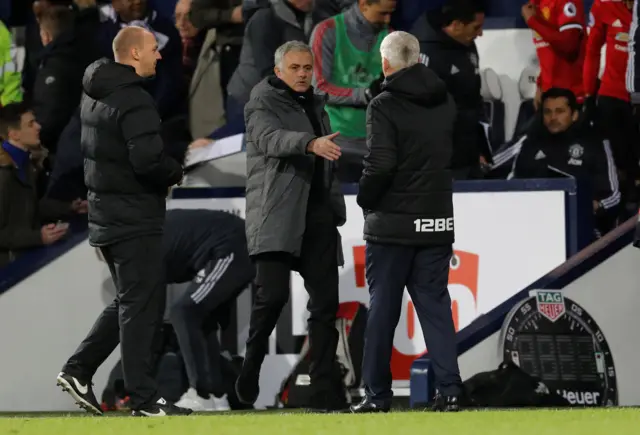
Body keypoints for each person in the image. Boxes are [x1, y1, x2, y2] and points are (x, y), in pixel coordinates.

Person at [56, 26, 188, 418]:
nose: (159, 56)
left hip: (108, 214)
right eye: (152, 50)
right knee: (140, 307)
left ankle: (79, 370)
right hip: (133, 215)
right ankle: (143, 399)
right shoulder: (134, 99)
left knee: (131, 300)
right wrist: (175, 170)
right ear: (133, 54)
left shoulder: (96, 94)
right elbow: (147, 161)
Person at [350, 31, 462, 413]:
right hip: (436, 220)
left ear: (385, 63)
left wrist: (365, 197)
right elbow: (457, 152)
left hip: (392, 226)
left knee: (382, 310)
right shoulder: (444, 100)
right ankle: (450, 390)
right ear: (417, 58)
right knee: (435, 305)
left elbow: (380, 164)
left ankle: (376, 396)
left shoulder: (383, 105)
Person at [236, 40, 348, 412]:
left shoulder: (316, 104)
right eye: (295, 68)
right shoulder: (261, 102)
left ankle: (322, 390)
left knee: (325, 306)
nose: (302, 75)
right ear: (279, 71)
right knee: (272, 300)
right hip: (277, 215)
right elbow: (269, 139)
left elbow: (327, 164)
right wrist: (309, 143)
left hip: (317, 217)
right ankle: (251, 363)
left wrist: (335, 209)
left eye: (307, 68)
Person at [491, 88, 620, 235]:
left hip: (580, 227)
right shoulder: (529, 141)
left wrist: (595, 206)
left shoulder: (595, 144)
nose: (553, 117)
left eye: (560, 111)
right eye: (547, 112)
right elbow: (491, 164)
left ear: (574, 115)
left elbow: (614, 195)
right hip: (528, 221)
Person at [167, 208, 255, 412]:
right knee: (200, 318)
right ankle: (216, 396)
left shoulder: (145, 246)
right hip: (233, 244)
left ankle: (201, 393)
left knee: (184, 312)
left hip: (232, 245)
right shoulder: (150, 235)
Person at [310, 0, 396, 182]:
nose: (388, 20)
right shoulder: (328, 30)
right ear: (364, 4)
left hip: (377, 146)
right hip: (337, 144)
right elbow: (319, 87)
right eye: (382, 13)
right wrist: (365, 94)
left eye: (391, 13)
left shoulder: (390, 37)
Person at [0, 102, 87, 268]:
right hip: (8, 273)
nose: (38, 126)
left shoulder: (26, 163)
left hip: (25, 258)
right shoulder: (3, 174)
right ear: (14, 134)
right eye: (31, 124)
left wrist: (68, 207)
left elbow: (31, 207)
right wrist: (38, 237)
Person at [412, 0, 489, 179]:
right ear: (456, 26)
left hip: (467, 152)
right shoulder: (424, 52)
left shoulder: (466, 44)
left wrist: (480, 148)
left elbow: (473, 100)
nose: (481, 33)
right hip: (438, 159)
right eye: (476, 27)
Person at [584, 0, 638, 203]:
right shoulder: (603, 5)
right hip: (612, 97)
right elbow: (592, 51)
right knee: (616, 168)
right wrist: (589, 94)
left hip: (637, 97)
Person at [522, 0, 586, 107]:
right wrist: (540, 85)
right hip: (548, 97)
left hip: (570, 98)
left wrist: (533, 22)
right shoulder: (535, 4)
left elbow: (569, 45)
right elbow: (548, 51)